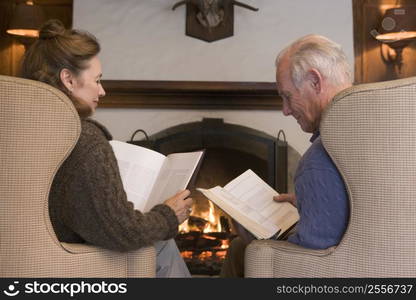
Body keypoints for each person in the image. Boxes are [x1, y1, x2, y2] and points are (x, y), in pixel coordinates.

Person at [21, 19, 193, 278]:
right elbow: (122, 231)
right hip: (64, 262)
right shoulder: (83, 137)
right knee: (162, 246)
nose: (102, 91)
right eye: (97, 80)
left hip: (23, 257)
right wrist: (169, 215)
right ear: (68, 79)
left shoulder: (20, 128)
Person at [220, 34, 352, 277]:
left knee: (242, 248)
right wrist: (310, 201)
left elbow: (305, 268)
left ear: (315, 81)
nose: (285, 110)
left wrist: (255, 241)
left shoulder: (319, 161)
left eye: (288, 96)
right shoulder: (376, 131)